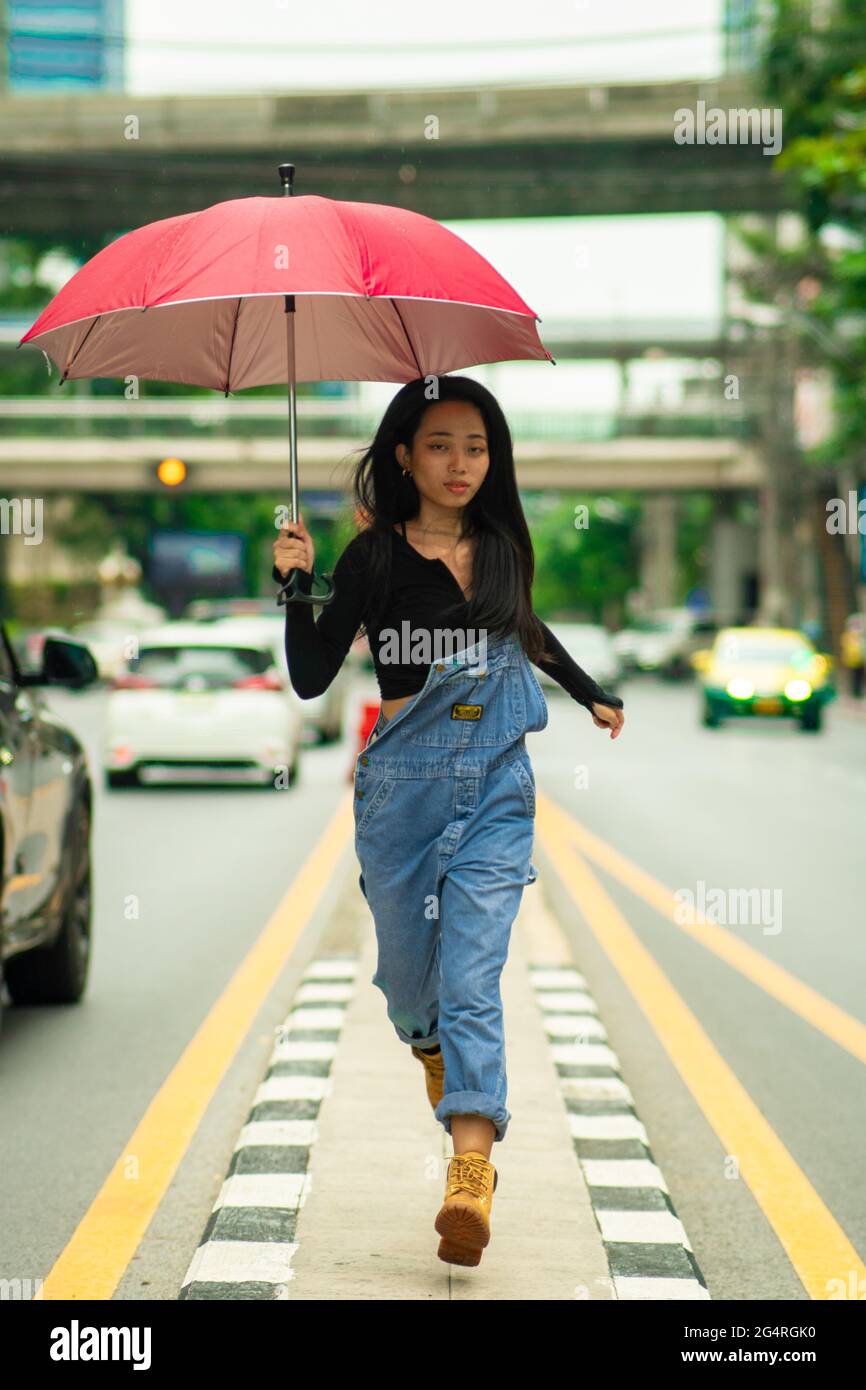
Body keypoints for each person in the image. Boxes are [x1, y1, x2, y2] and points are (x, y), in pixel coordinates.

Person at [272, 374, 625, 1267]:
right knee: (407, 987)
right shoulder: (374, 559)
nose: (461, 463)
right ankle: (434, 1050)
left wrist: (589, 694)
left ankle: (469, 1175)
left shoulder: (503, 545)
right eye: (440, 445)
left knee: (475, 975)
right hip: (402, 793)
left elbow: (525, 632)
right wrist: (296, 584)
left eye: (476, 446)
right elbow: (315, 675)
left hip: (497, 789)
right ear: (403, 456)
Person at [840, 613, 866, 699]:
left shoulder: (859, 635)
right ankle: (855, 693)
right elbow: (848, 648)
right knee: (855, 678)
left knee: (859, 677)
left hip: (859, 660)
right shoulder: (850, 635)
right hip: (853, 660)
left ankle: (858, 692)